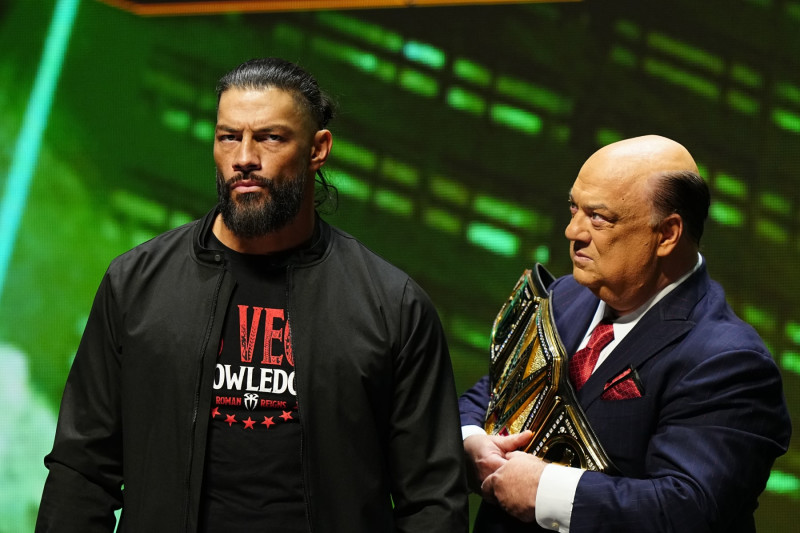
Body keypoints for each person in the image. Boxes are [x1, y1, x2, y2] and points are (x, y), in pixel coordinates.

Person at [36, 57, 468, 533]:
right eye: (228, 137)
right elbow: (82, 473)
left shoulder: (394, 307)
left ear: (318, 149)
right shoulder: (136, 283)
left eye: (270, 137)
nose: (244, 156)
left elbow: (431, 502)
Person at [459, 135, 791, 533]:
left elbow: (689, 510)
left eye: (598, 217)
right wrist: (472, 441)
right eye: (573, 208)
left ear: (667, 234)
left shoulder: (729, 361)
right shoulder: (565, 296)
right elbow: (493, 391)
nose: (572, 231)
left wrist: (545, 490)